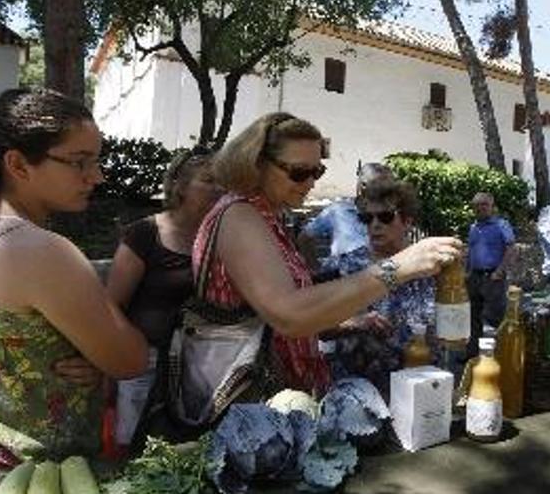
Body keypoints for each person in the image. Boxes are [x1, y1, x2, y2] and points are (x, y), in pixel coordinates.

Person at [0, 88, 149, 491]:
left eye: (97, 159)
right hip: (14, 477)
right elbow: (130, 359)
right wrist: (98, 354)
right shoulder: (35, 249)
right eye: (79, 161)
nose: (97, 176)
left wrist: (77, 352)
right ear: (18, 164)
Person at [186, 112, 460, 421]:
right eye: (299, 172)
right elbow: (289, 316)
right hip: (253, 411)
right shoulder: (240, 216)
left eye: (317, 170)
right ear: (256, 164)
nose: (312, 182)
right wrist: (397, 268)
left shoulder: (266, 219)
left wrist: (352, 322)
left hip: (282, 404)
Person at [105, 150, 221, 450]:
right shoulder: (145, 233)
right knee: (133, 445)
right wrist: (131, 349)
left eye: (223, 181)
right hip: (145, 360)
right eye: (208, 180)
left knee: (182, 448)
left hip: (197, 363)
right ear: (180, 185)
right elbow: (111, 304)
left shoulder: (221, 237)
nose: (219, 188)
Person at [321, 179, 436, 397]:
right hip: (360, 395)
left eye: (385, 217)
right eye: (367, 218)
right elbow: (314, 328)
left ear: (407, 221)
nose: (375, 224)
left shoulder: (430, 267)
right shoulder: (342, 267)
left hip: (422, 386)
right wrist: (355, 323)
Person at [297, 162, 393, 273]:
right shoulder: (338, 210)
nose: (384, 193)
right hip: (340, 283)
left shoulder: (392, 215)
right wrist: (314, 269)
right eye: (379, 187)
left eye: (387, 188)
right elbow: (304, 237)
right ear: (363, 186)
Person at [465, 192, 515, 356]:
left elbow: (511, 249)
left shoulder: (501, 225)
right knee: (473, 317)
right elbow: (471, 252)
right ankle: (473, 354)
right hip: (474, 278)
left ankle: (494, 356)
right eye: (477, 205)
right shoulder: (473, 227)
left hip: (493, 277)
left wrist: (499, 271)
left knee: (493, 319)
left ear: (492, 207)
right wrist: (467, 273)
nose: (480, 208)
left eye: (484, 204)